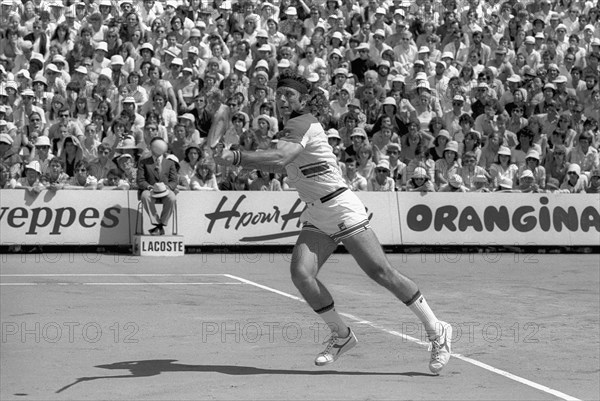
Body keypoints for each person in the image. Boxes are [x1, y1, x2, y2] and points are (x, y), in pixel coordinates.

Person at [214, 72, 452, 373]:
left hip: (340, 207)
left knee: (381, 272)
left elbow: (277, 159)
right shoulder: (290, 129)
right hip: (316, 212)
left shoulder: (303, 123)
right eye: (280, 95)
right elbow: (279, 160)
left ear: (302, 100)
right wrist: (239, 161)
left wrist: (235, 156)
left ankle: (437, 330)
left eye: (290, 95)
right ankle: (342, 335)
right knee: (302, 274)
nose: (283, 100)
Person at [136, 137, 178, 235]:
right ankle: (157, 223)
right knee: (145, 196)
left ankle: (160, 226)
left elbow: (174, 181)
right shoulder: (143, 162)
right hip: (150, 189)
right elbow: (140, 180)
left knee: (172, 198)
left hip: (165, 190)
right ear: (151, 147)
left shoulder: (170, 163)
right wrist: (149, 187)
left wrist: (168, 187)